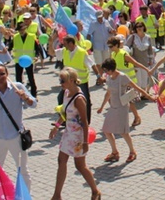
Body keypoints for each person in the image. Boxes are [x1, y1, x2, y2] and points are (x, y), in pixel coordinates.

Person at [0, 64, 36, 192]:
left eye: (2, 74)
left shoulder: (18, 87)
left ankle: (24, 196)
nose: (0, 77)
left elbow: (33, 103)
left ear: (7, 74)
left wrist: (25, 97)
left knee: (23, 170)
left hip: (16, 137)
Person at [50, 67, 101, 199]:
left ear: (72, 81)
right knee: (61, 161)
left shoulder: (79, 99)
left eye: (63, 80)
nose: (60, 83)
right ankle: (57, 195)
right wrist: (56, 126)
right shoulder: (67, 92)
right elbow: (65, 112)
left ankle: (95, 190)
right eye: (60, 80)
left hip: (78, 136)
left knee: (80, 166)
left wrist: (85, 142)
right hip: (68, 133)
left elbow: (84, 121)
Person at [96, 58, 154, 163]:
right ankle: (115, 152)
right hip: (113, 107)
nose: (105, 73)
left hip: (122, 107)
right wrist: (102, 107)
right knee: (106, 130)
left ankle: (132, 152)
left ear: (110, 69)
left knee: (124, 132)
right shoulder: (109, 78)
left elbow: (137, 88)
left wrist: (149, 97)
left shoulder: (122, 77)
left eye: (105, 70)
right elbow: (108, 93)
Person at [59, 36, 95, 122]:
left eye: (65, 44)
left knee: (84, 100)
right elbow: (52, 53)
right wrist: (51, 40)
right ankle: (64, 120)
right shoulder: (65, 51)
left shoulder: (82, 52)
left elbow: (91, 64)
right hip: (68, 82)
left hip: (81, 81)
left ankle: (86, 121)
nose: (64, 46)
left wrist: (99, 76)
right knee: (61, 98)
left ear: (71, 43)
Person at [86, 10, 114, 84]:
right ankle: (100, 78)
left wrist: (112, 31)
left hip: (106, 45)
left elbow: (110, 30)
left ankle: (105, 77)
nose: (100, 19)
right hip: (97, 46)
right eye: (98, 18)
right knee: (99, 63)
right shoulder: (93, 24)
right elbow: (89, 34)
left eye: (101, 17)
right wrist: (87, 45)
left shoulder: (106, 22)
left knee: (106, 63)